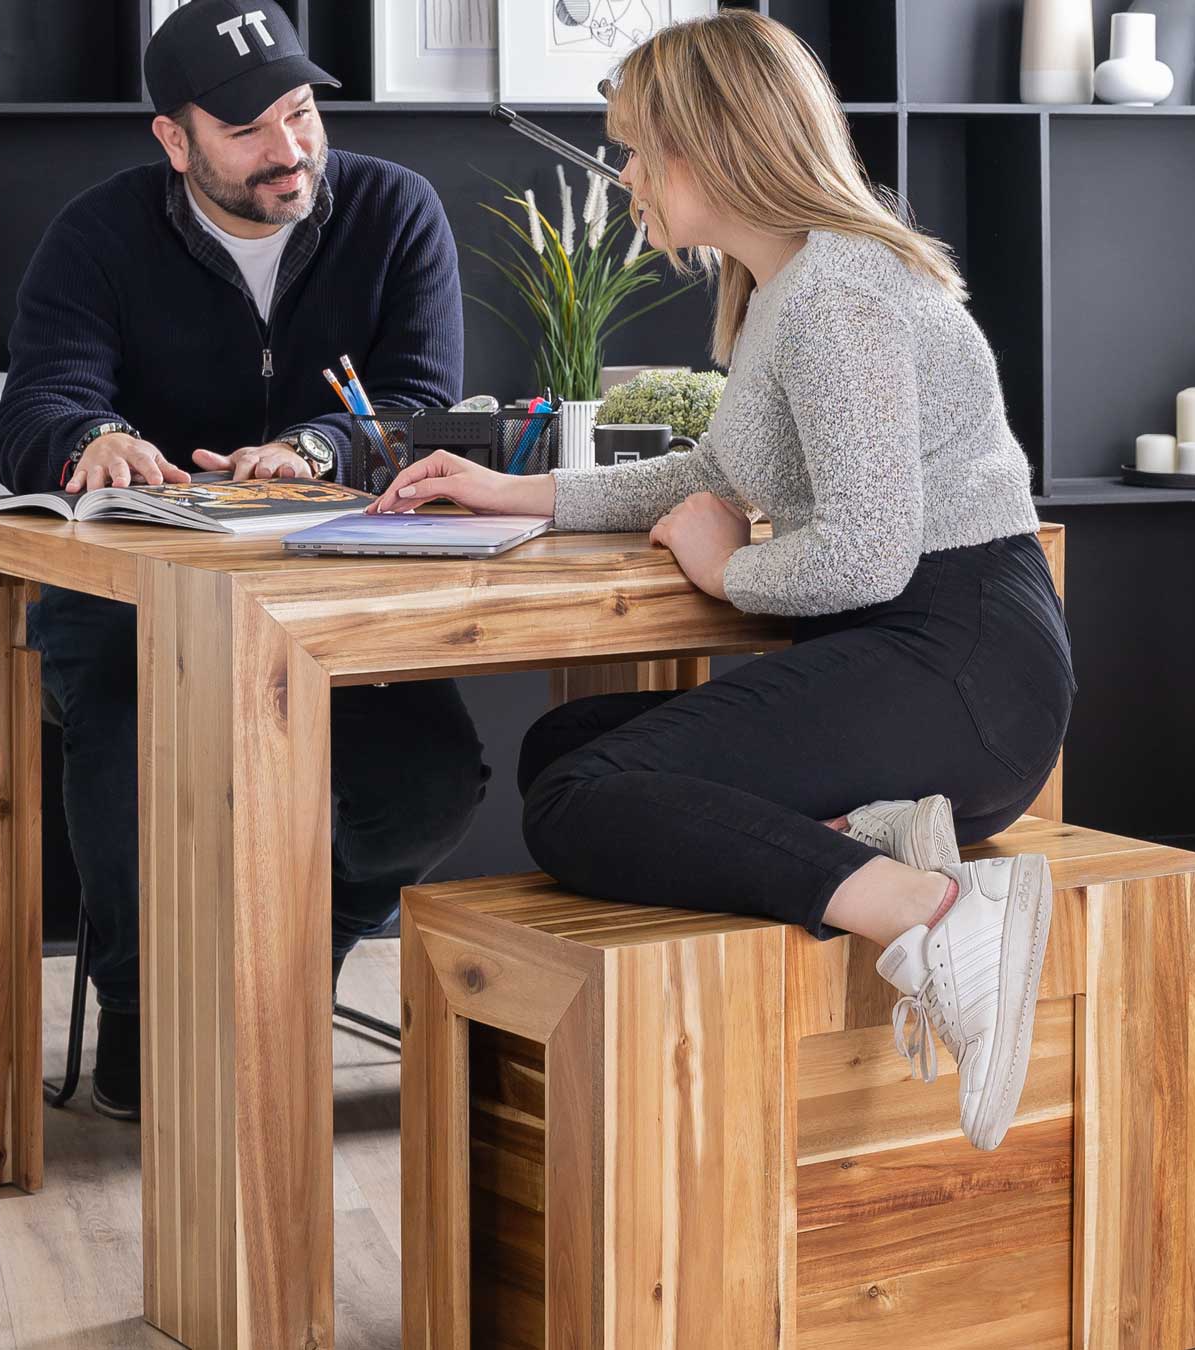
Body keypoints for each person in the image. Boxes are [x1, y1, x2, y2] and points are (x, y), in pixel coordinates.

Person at [368, 10, 1074, 1151]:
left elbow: (865, 551)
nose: (626, 178)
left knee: (580, 799)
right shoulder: (784, 284)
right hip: (916, 662)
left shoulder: (838, 298)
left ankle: (930, 910)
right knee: (563, 754)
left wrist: (724, 564)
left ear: (708, 147)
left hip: (962, 673)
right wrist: (520, 494)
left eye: (637, 149)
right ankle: (882, 837)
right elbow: (714, 470)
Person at [0, 0, 486, 1119]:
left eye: (303, 113)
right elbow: (30, 412)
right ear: (176, 140)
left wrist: (318, 448)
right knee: (132, 738)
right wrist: (89, 437)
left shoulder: (395, 211)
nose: (291, 149)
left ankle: (289, 970)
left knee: (430, 786)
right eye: (251, 130)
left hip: (336, 593)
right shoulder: (98, 233)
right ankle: (143, 1013)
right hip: (134, 604)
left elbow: (421, 406)